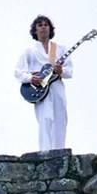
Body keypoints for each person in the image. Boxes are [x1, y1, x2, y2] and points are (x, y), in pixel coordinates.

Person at [15, 15, 73, 151]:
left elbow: (69, 71)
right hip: (40, 87)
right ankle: (45, 151)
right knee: (45, 118)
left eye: (46, 25)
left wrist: (61, 70)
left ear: (50, 29)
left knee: (60, 118)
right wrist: (30, 78)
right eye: (40, 25)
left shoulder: (60, 49)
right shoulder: (30, 51)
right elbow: (18, 72)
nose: (43, 27)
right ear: (35, 30)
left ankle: (59, 150)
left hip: (56, 86)